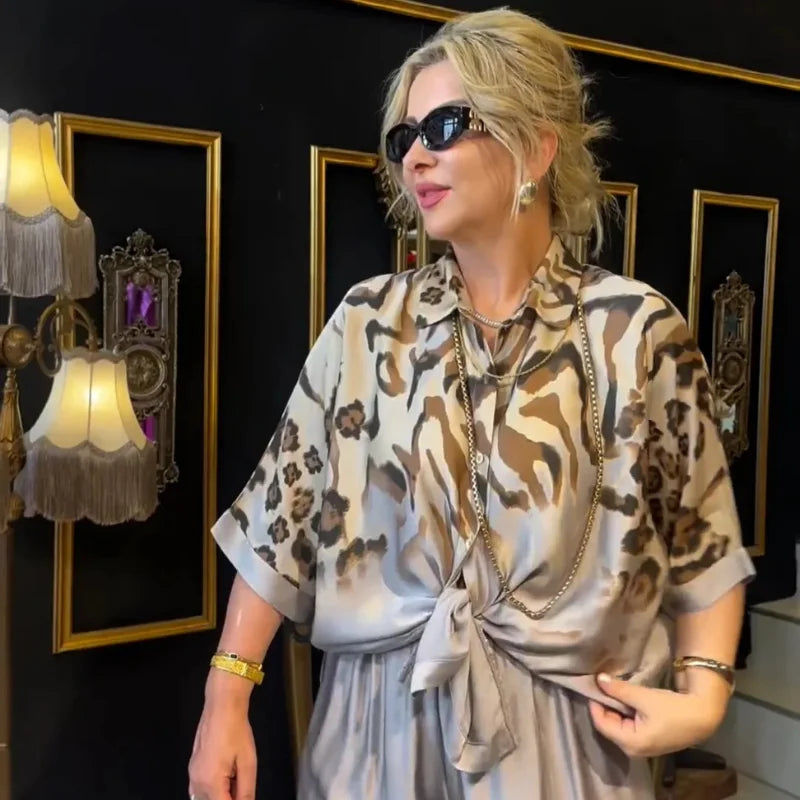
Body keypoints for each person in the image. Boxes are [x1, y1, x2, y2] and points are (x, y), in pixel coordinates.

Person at [188, 8, 755, 799]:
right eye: (403, 138)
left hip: (565, 746)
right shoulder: (368, 323)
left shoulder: (633, 332)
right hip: (374, 741)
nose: (415, 156)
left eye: (445, 126)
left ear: (536, 146)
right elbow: (281, 521)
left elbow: (701, 536)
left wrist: (703, 697)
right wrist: (225, 700)